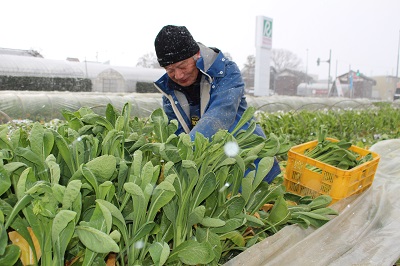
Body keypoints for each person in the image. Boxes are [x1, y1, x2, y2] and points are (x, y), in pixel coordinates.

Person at [153, 25, 280, 183]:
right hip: (212, 168)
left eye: (182, 66)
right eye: (170, 70)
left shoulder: (225, 72)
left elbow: (219, 116)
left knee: (247, 199)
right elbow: (177, 132)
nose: (178, 75)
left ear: (197, 55)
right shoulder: (170, 91)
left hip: (248, 161)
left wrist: (183, 153)